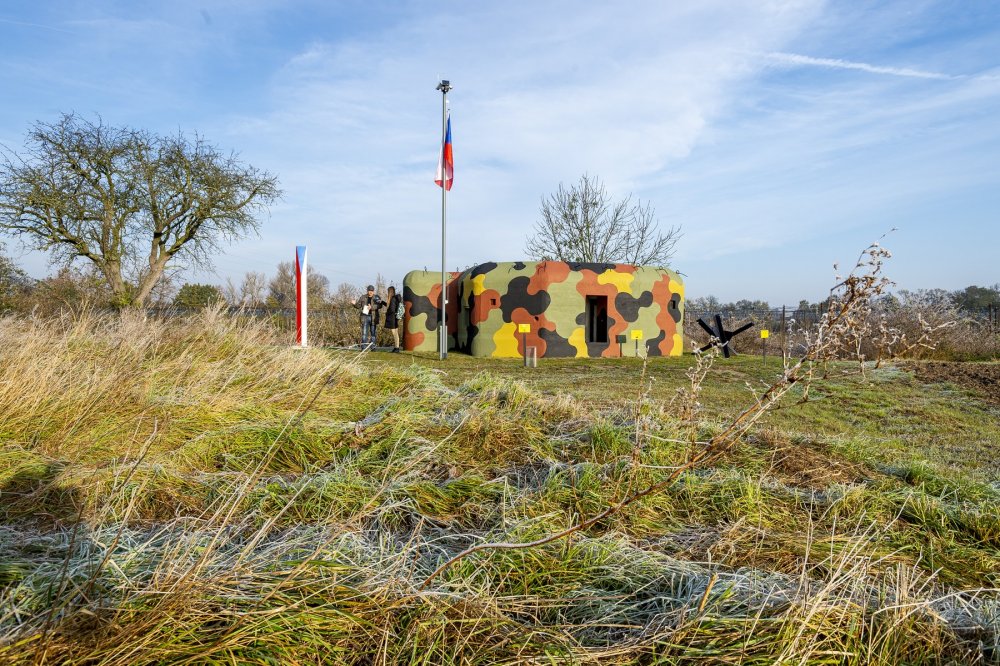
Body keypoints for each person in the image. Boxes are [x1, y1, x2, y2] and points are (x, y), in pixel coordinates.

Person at [354, 285, 383, 349]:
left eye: (372, 291)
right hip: (365, 317)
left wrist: (371, 307)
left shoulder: (377, 297)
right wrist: (354, 304)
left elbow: (380, 306)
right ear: (367, 291)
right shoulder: (363, 297)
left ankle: (373, 347)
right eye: (369, 290)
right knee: (364, 334)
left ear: (373, 291)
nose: (371, 292)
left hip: (373, 317)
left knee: (373, 334)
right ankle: (363, 347)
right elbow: (358, 306)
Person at [383, 285, 403, 352]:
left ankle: (397, 348)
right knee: (396, 333)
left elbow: (392, 309)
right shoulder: (395, 299)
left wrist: (387, 313)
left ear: (390, 292)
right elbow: (390, 306)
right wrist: (382, 302)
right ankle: (396, 347)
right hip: (395, 317)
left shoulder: (393, 299)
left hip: (392, 318)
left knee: (394, 333)